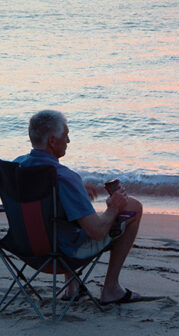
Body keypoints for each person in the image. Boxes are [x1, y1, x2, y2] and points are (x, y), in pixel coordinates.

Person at [15, 109, 144, 305]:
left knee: (61, 215)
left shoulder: (14, 167)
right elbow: (97, 232)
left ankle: (72, 287)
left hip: (24, 247)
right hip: (63, 253)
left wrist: (70, 194)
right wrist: (113, 207)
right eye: (65, 135)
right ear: (52, 141)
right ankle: (111, 289)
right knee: (134, 205)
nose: (68, 141)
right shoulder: (64, 177)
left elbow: (27, 203)